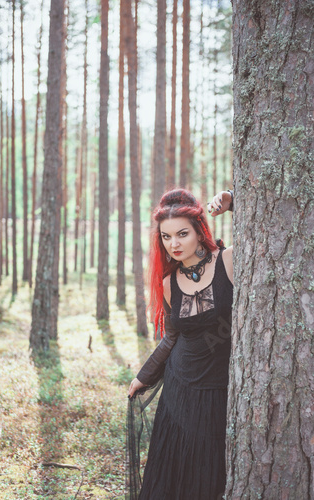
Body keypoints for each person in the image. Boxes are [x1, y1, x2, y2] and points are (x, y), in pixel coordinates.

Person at [127, 188, 234, 500]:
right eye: (166, 236)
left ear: (200, 231)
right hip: (180, 388)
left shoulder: (227, 260)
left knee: (210, 468)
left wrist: (232, 203)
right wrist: (143, 376)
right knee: (177, 470)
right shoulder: (169, 283)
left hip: (218, 389)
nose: (174, 244)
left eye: (182, 234)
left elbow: (266, 242)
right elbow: (171, 338)